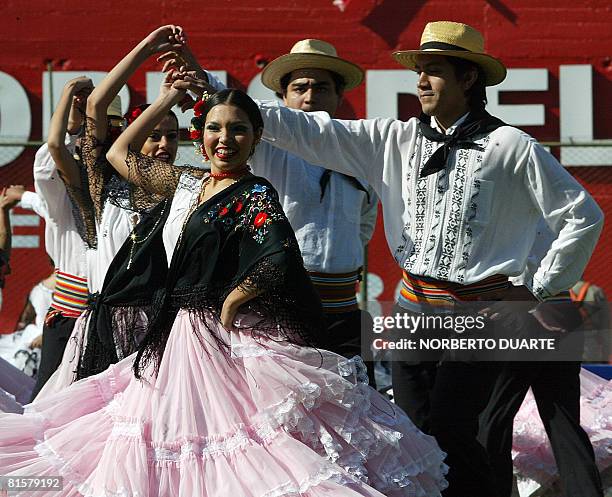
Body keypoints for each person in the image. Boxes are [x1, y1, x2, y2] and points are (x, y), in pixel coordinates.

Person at [188, 20, 604, 497]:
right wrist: (212, 88)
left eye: (435, 71)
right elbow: (305, 129)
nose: (421, 81)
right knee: (409, 432)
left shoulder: (510, 145)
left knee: (454, 428)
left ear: (468, 79)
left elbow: (582, 215)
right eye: (420, 71)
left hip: (476, 313)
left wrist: (537, 287)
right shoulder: (396, 139)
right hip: (411, 309)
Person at [0, 82, 448, 497]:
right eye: (214, 127)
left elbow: (276, 256)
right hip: (174, 336)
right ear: (200, 134)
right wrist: (165, 100)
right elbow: (119, 153)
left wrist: (235, 298)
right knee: (166, 440)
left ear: (255, 138)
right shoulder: (189, 184)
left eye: (238, 130)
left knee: (233, 446)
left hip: (221, 337)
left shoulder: (254, 193)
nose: (224, 138)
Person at [160, 38, 379, 383]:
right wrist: (204, 80)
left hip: (345, 312)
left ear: (339, 97)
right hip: (279, 310)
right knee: (287, 419)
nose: (310, 97)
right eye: (300, 87)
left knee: (363, 415)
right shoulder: (265, 148)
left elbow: (363, 228)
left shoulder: (360, 154)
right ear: (283, 97)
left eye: (321, 88)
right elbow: (237, 110)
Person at [35, 26, 190, 397]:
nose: (164, 144)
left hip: (155, 328)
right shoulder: (103, 187)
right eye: (153, 133)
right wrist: (148, 52)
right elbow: (95, 107)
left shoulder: (179, 189)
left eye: (172, 136)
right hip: (100, 325)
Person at [479, 220, 605, 497]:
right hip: (560, 307)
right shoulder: (563, 198)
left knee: (492, 421)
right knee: (564, 425)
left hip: (517, 314)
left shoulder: (508, 195)